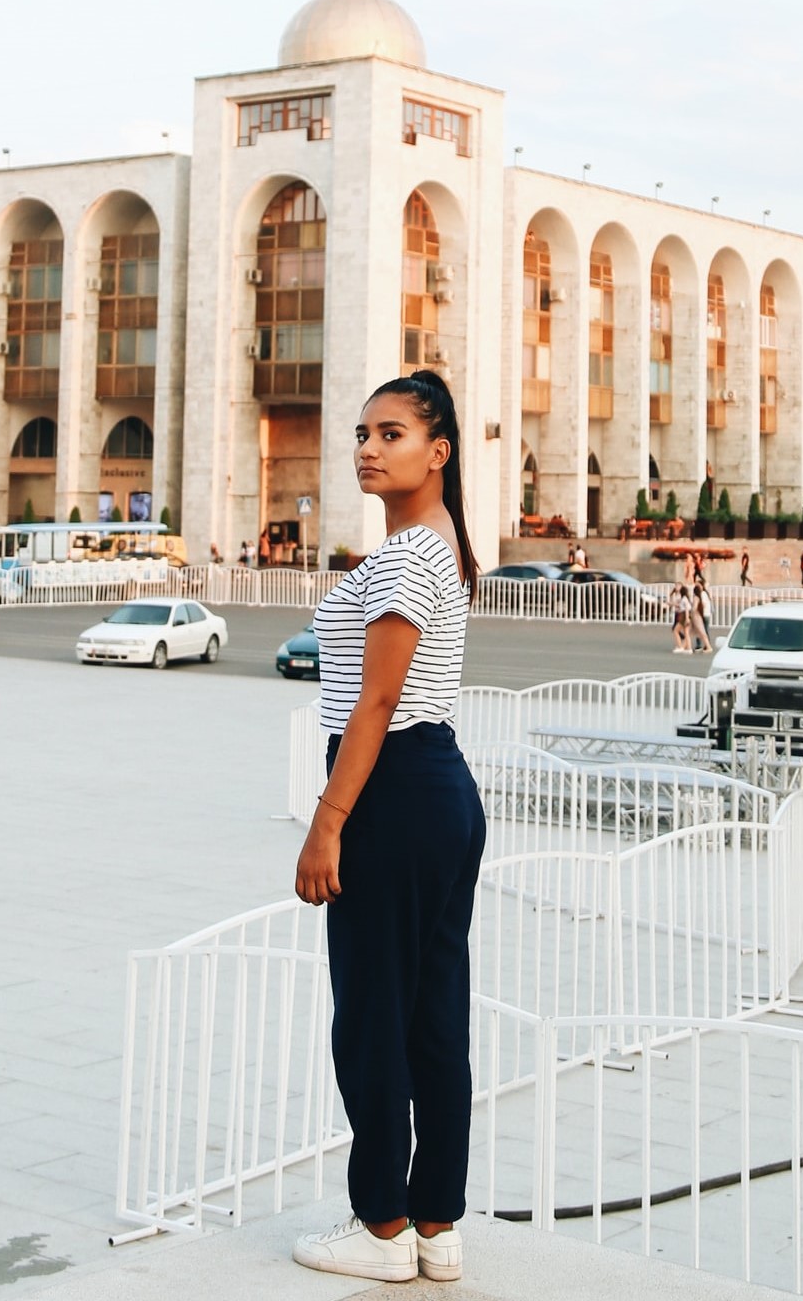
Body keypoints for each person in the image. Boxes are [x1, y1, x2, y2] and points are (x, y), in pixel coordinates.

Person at [292, 370, 484, 1286]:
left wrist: (328, 821)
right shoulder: (434, 542)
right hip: (436, 788)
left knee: (372, 1015)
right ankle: (437, 1227)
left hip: (394, 789)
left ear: (437, 451)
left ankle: (380, 1228)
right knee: (434, 1017)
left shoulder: (411, 555)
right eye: (362, 433)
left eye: (391, 433)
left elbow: (376, 699)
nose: (368, 448)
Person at [689, 581, 713, 653]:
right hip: (705, 614)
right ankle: (705, 645)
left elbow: (703, 604)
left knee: (702, 630)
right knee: (703, 630)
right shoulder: (705, 593)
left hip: (703, 614)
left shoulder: (702, 594)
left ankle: (703, 645)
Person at [670, 584, 692, 652]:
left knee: (676, 630)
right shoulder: (685, 598)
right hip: (684, 615)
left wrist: (687, 618)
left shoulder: (684, 599)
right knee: (686, 632)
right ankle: (689, 648)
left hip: (683, 615)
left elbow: (686, 609)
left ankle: (680, 646)